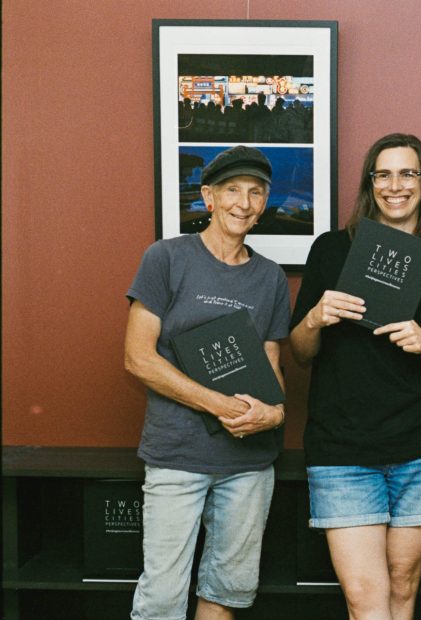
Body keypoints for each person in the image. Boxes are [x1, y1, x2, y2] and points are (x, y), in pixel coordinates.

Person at [289, 133, 421, 620]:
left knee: (402, 587)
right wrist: (314, 317)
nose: (396, 185)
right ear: (370, 185)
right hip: (343, 447)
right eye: (384, 174)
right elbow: (300, 353)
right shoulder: (331, 251)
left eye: (408, 174)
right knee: (363, 596)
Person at [125, 145, 290, 620]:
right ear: (209, 197)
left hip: (250, 462)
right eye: (232, 190)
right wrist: (220, 404)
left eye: (255, 192)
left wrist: (274, 414)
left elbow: (272, 368)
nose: (244, 202)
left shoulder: (271, 278)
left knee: (229, 590)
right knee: (161, 595)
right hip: (176, 456)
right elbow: (138, 359)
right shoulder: (167, 258)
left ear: (264, 202)